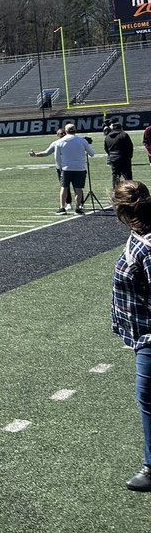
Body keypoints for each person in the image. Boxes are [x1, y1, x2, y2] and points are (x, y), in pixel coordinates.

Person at [108, 179, 151, 492]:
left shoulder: (147, 246)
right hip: (143, 336)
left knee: (148, 401)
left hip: (150, 338)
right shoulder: (139, 236)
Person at [29, 122, 95, 214]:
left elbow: (52, 155)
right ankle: (78, 208)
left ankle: (62, 208)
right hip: (80, 168)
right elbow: (92, 153)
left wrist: (59, 167)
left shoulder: (59, 142)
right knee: (78, 188)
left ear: (66, 131)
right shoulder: (82, 141)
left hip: (66, 168)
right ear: (75, 130)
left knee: (64, 187)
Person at [106, 120, 135, 187]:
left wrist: (111, 155)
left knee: (115, 176)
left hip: (113, 158)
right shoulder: (124, 135)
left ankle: (115, 191)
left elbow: (106, 148)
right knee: (127, 176)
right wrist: (130, 156)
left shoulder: (108, 137)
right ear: (121, 128)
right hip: (124, 158)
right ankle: (129, 190)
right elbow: (130, 146)